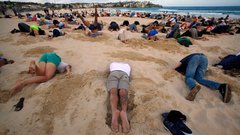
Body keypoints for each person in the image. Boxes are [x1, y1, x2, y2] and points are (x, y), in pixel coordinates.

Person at [106, 62, 131, 133]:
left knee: (113, 91)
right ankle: (123, 112)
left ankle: (115, 112)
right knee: (123, 92)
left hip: (114, 73)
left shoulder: (112, 63)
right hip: (124, 74)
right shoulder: (127, 65)